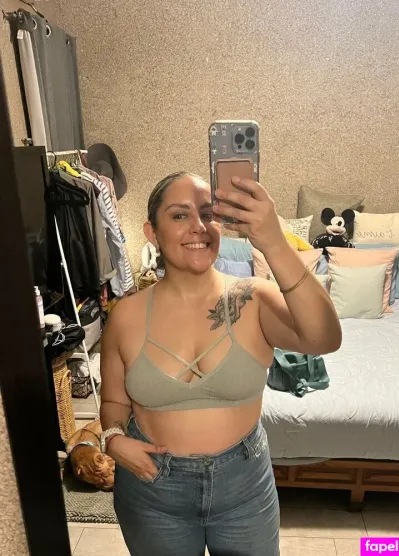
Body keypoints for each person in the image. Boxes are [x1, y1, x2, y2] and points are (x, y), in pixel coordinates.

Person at [99, 171, 342, 556]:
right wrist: (113, 440)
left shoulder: (254, 298)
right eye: (180, 215)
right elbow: (114, 402)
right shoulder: (125, 317)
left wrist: (273, 241)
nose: (199, 226)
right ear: (152, 232)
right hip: (152, 491)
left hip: (243, 489)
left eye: (208, 213)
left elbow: (325, 338)